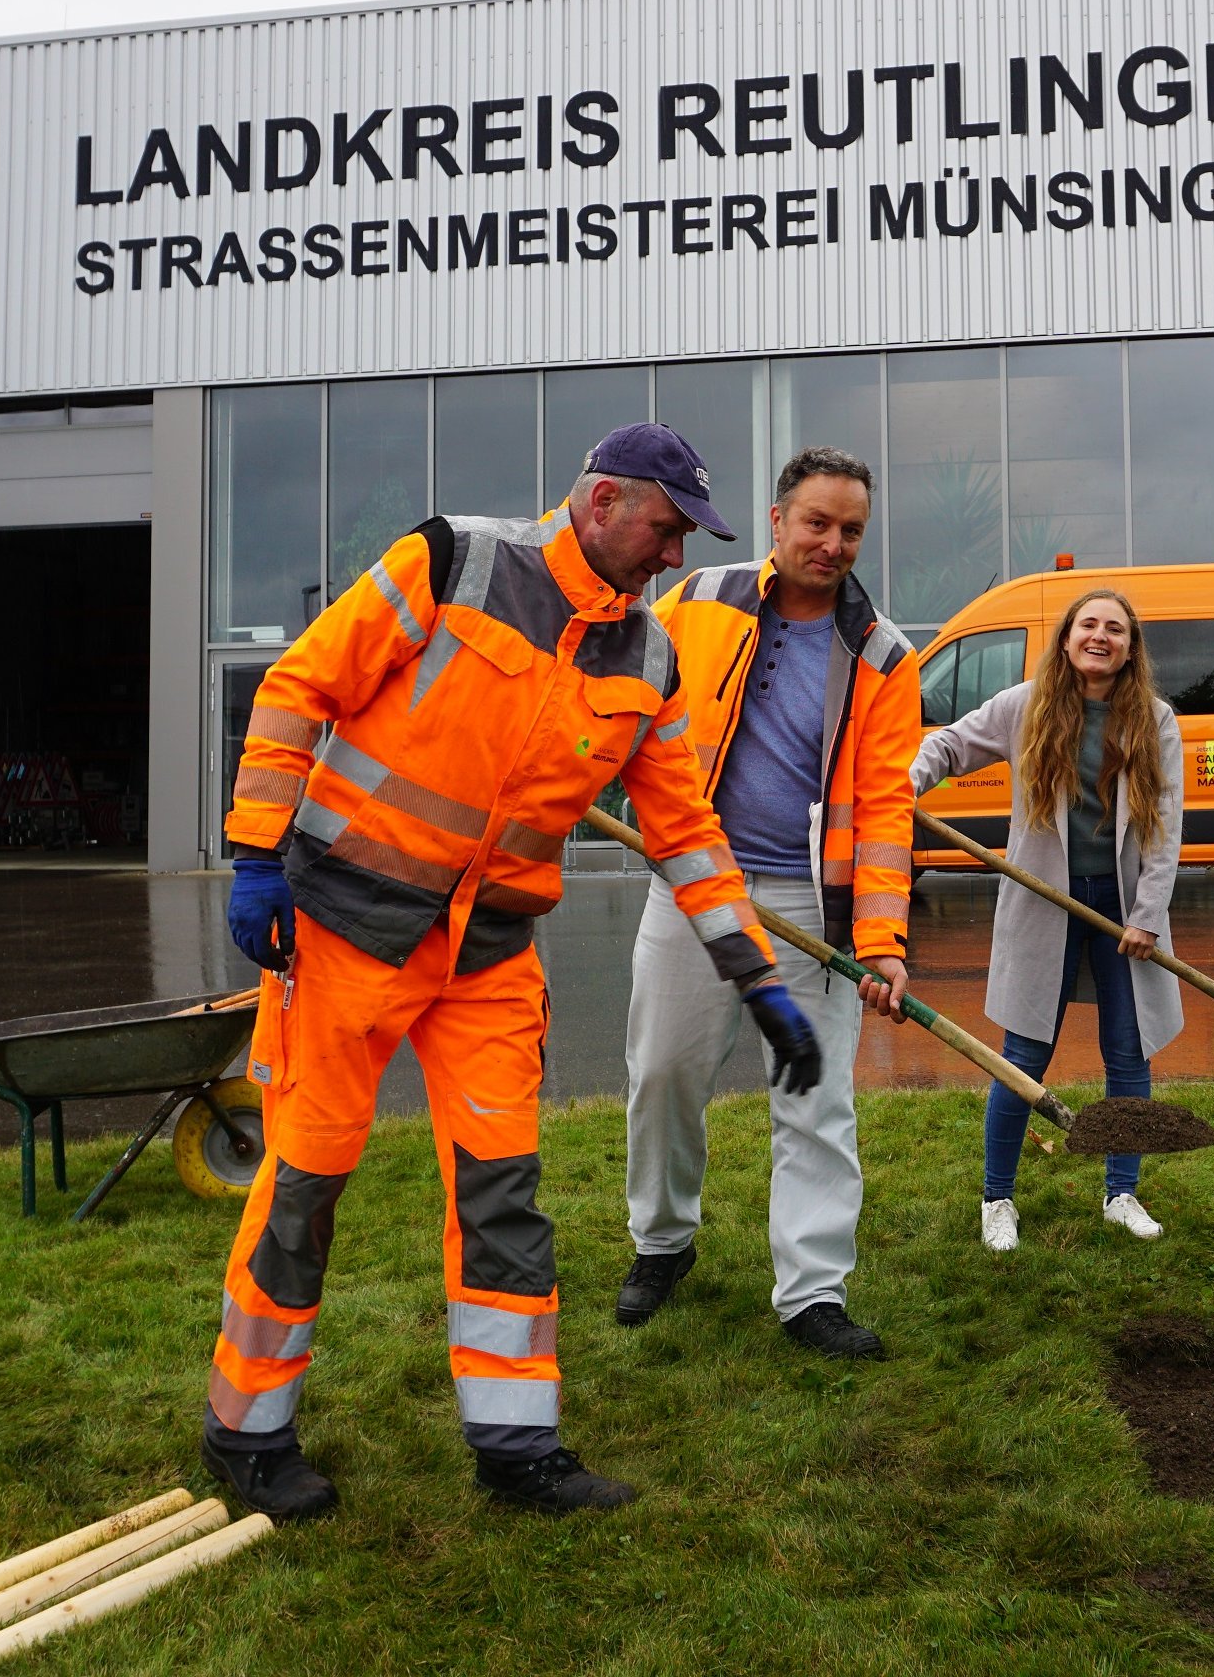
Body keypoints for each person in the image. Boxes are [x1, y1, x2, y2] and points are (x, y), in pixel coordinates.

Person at [205, 424, 821, 1521]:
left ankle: (516, 1448)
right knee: (303, 1188)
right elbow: (300, 686)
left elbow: (686, 833)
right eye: (665, 527)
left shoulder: (649, 657)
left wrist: (756, 974)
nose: (672, 556)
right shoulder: (451, 561)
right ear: (598, 501)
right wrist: (256, 852)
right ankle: (246, 1431)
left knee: (503, 1199)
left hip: (486, 960)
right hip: (348, 930)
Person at [617, 446, 922, 1359]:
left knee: (817, 1100)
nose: (834, 544)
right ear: (780, 518)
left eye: (852, 530)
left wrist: (881, 941)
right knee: (665, 1073)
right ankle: (662, 1243)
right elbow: (621, 679)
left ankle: (812, 1292)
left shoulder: (881, 652)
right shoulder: (696, 599)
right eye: (819, 523)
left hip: (811, 907)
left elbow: (884, 811)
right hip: (693, 885)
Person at [911, 588, 1185, 1251]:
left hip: (1120, 908)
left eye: (1114, 628)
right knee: (1023, 1056)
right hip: (1043, 900)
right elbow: (950, 745)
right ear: (1066, 638)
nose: (1099, 636)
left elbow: (1165, 826)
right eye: (1087, 624)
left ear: (1129, 646)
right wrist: (911, 780)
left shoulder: (1154, 720)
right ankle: (997, 1199)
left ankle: (1122, 1192)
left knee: (1128, 1053)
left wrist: (1147, 915)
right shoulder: (1025, 706)